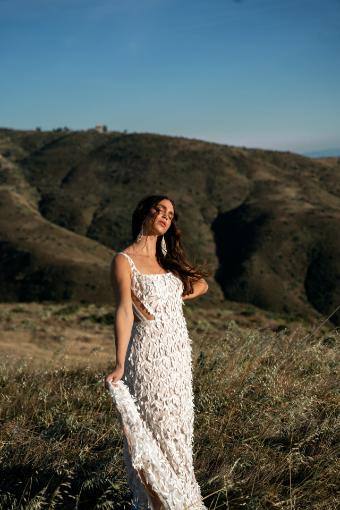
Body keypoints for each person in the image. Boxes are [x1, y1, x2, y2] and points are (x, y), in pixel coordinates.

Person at [105, 194, 209, 510]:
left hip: (178, 357)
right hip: (147, 358)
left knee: (177, 435)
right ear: (145, 213)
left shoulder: (168, 260)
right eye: (159, 209)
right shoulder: (124, 260)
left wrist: (168, 302)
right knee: (152, 434)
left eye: (171, 213)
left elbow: (201, 284)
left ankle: (182, 502)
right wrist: (120, 363)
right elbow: (124, 310)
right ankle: (158, 504)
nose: (165, 215)